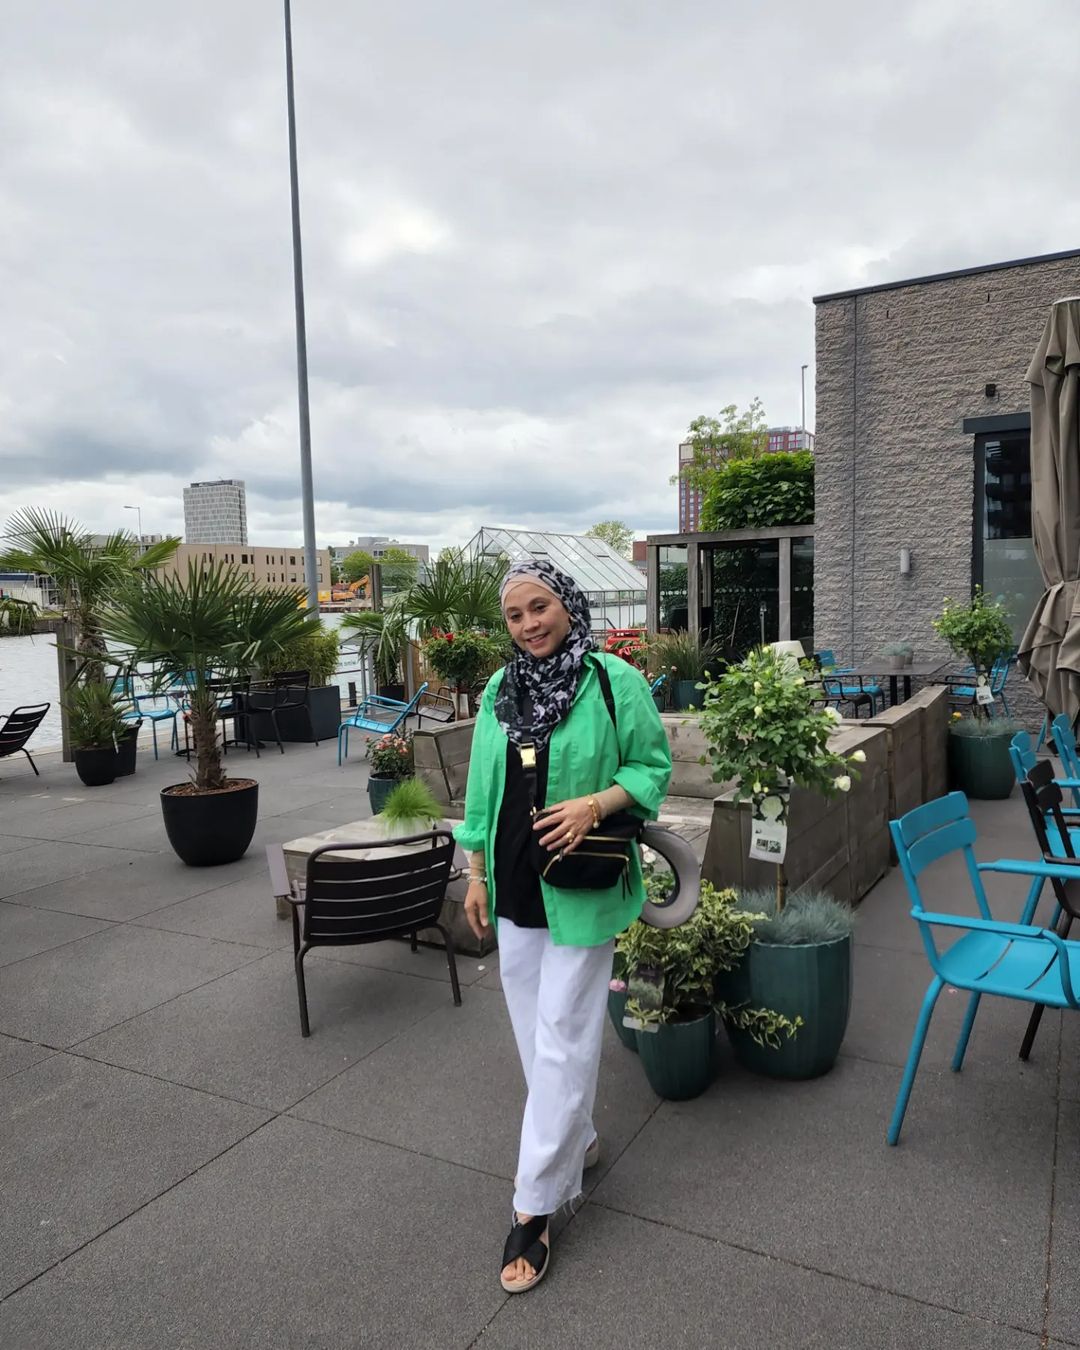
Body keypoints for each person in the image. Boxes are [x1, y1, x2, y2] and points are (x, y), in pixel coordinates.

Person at [454, 559, 672, 1294]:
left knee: (561, 1034)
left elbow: (652, 768)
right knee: (533, 1031)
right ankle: (576, 1136)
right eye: (515, 615)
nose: (529, 625)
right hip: (514, 883)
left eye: (539, 607)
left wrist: (595, 805)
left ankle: (535, 1205)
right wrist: (475, 872)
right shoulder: (500, 687)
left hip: (582, 884)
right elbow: (482, 787)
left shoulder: (613, 680)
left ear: (568, 605)